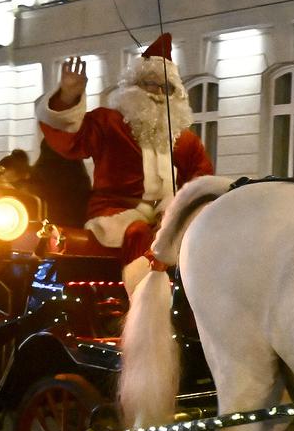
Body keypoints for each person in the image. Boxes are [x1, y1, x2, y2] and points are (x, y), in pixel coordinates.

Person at [37, 34, 212, 289]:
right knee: (139, 232)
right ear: (133, 87)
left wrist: (183, 212)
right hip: (115, 215)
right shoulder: (108, 123)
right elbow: (71, 139)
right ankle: (142, 301)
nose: (158, 94)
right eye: (151, 85)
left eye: (166, 88)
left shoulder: (185, 141)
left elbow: (201, 182)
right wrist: (67, 97)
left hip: (167, 217)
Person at [28, 140, 92, 229]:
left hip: (45, 226)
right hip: (74, 226)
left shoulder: (38, 172)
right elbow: (85, 197)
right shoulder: (76, 172)